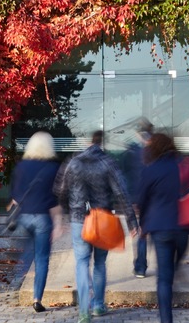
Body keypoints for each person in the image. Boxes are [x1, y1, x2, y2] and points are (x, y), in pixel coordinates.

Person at [54, 130, 138, 323]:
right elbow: (121, 192)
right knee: (100, 263)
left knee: (82, 263)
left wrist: (68, 211)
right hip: (103, 219)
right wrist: (132, 222)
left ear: (87, 143)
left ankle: (84, 310)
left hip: (78, 219)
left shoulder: (73, 162)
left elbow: (60, 190)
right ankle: (98, 305)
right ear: (101, 144)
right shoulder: (108, 162)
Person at [135, 131, 189, 323]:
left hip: (160, 228)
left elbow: (142, 201)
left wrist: (142, 226)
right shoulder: (183, 167)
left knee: (164, 279)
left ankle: (166, 320)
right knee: (173, 269)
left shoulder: (150, 170)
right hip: (183, 227)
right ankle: (175, 271)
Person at [9, 131, 63, 313]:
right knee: (42, 259)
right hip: (42, 219)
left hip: (24, 217)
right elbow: (54, 199)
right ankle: (37, 298)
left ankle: (19, 275)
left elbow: (15, 197)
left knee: (28, 252)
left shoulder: (21, 167)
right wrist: (58, 223)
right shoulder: (53, 168)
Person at [122, 118, 153, 278]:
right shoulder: (154, 150)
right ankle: (145, 264)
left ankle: (140, 266)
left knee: (141, 232)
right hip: (151, 198)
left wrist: (131, 199)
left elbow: (126, 177)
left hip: (138, 197)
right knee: (147, 231)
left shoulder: (131, 152)